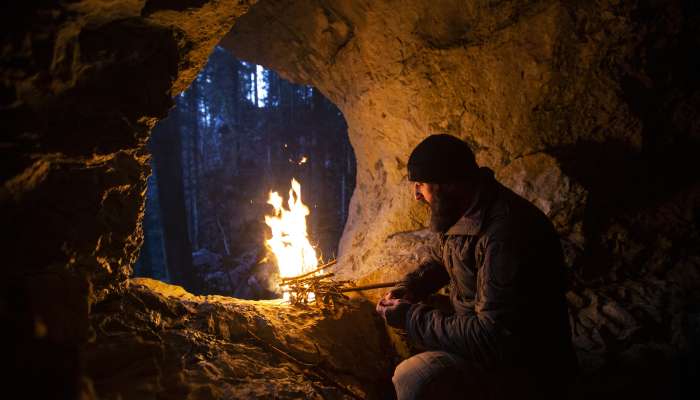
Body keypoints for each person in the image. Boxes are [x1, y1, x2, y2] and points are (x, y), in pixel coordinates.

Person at [375, 134, 577, 400]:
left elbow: (493, 337)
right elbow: (442, 258)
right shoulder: (467, 208)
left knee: (414, 378)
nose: (416, 195)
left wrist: (412, 318)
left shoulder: (506, 233)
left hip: (524, 368)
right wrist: (411, 286)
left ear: (449, 184)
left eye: (421, 184)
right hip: (488, 345)